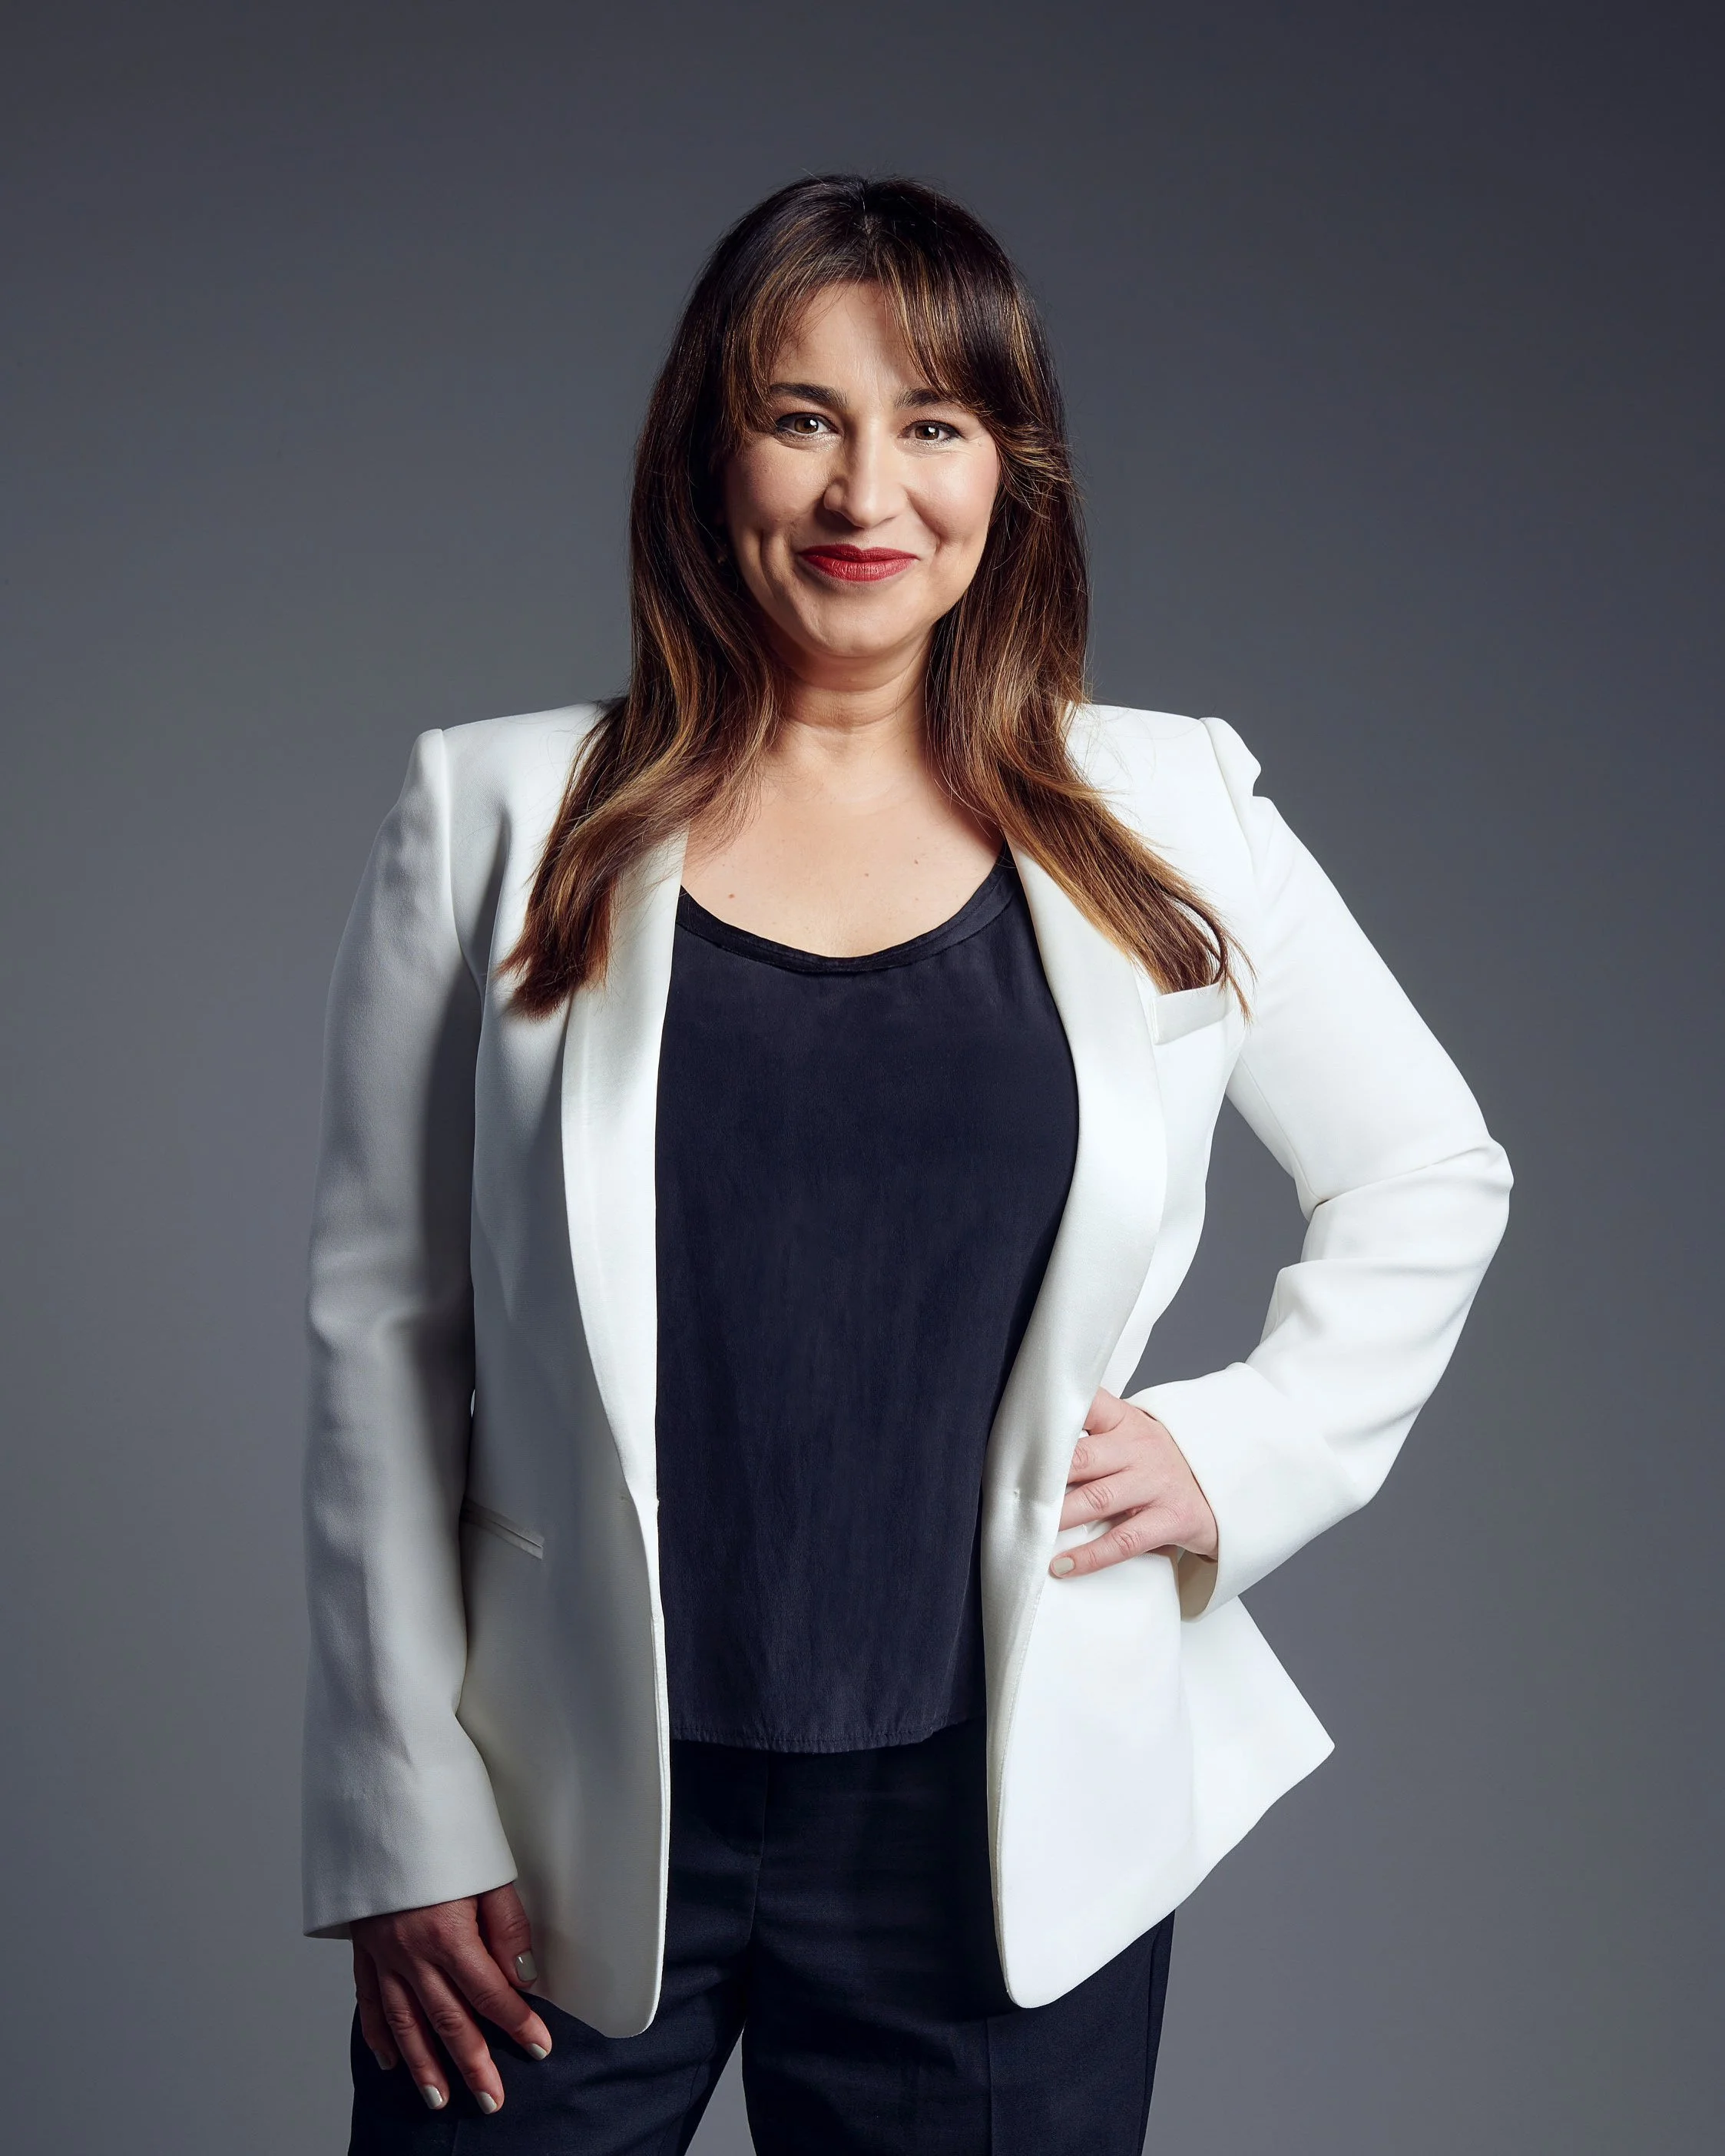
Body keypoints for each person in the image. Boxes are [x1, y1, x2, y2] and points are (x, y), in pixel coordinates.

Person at [302, 174, 1511, 2154]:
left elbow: (1430, 1170)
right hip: (556, 1812)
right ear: (714, 453)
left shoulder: (1173, 804)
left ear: (1007, 473)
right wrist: (393, 1804)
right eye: (803, 417)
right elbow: (382, 1329)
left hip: (1004, 1838)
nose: (869, 489)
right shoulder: (499, 809)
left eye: (932, 424)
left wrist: (1243, 1456)